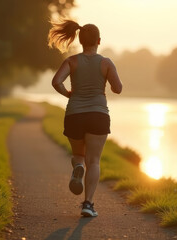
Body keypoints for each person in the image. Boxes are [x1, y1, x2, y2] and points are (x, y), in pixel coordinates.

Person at [48, 19, 122, 217]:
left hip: (75, 115)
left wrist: (69, 94)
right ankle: (88, 204)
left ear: (80, 40)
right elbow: (118, 88)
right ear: (99, 40)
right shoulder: (106, 62)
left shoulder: (71, 61)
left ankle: (78, 167)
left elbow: (56, 82)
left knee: (79, 155)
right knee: (95, 160)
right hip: (98, 115)